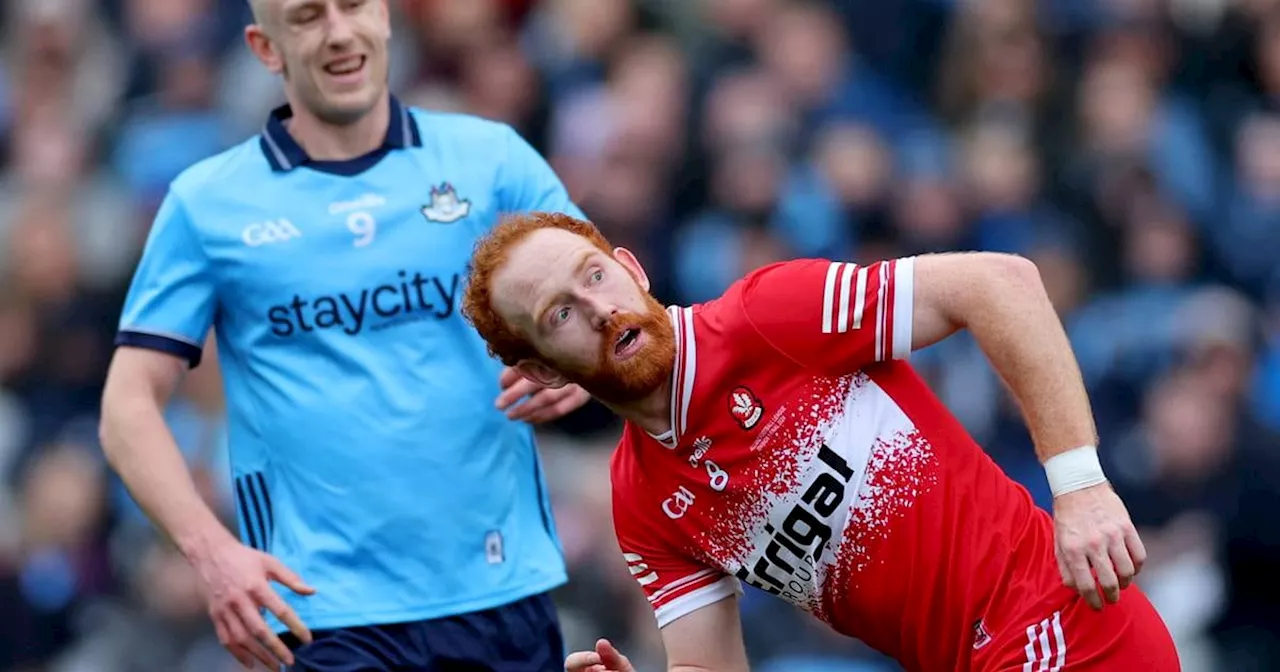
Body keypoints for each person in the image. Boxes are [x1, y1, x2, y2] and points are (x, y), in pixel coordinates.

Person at [459, 212, 1183, 671]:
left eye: (596, 276)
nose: (597, 306)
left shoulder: (764, 318)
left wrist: (1081, 486)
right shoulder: (643, 501)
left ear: (633, 268)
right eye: (559, 314)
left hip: (1066, 625)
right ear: (540, 369)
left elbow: (1001, 284)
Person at [98, 1, 590, 670]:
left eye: (353, 5)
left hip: (501, 594)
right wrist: (212, 554)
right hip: (326, 616)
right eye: (305, 16)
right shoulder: (207, 203)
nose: (338, 31)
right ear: (264, 48)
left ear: (384, 17)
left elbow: (610, 303)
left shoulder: (491, 160)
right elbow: (127, 409)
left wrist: (580, 366)